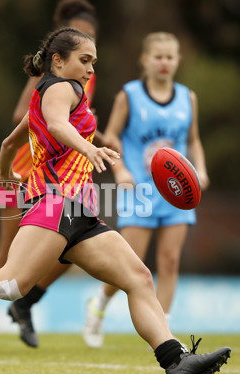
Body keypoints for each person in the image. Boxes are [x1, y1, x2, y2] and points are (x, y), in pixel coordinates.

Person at [0, 27, 231, 374]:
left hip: (82, 213)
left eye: (94, 62)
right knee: (9, 284)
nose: (90, 69)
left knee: (138, 278)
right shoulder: (60, 88)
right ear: (58, 60)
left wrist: (7, 175)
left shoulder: (55, 95)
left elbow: (10, 143)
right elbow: (55, 125)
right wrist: (88, 149)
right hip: (55, 203)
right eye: (84, 60)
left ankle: (175, 360)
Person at [0, 0, 110, 352]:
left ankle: (25, 302)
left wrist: (99, 136)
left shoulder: (87, 76)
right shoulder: (50, 77)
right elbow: (25, 116)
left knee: (69, 253)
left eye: (94, 39)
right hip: (23, 174)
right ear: (64, 45)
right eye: (84, 39)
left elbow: (73, 125)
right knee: (7, 258)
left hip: (58, 179)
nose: (89, 50)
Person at [82, 32, 210, 349]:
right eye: (158, 56)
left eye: (170, 57)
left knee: (169, 261)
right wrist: (121, 170)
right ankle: (98, 303)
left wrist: (201, 170)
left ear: (178, 61)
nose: (164, 62)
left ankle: (165, 332)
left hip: (176, 193)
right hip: (138, 190)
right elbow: (109, 137)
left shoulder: (187, 98)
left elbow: (193, 139)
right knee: (131, 262)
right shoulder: (130, 95)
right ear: (145, 60)